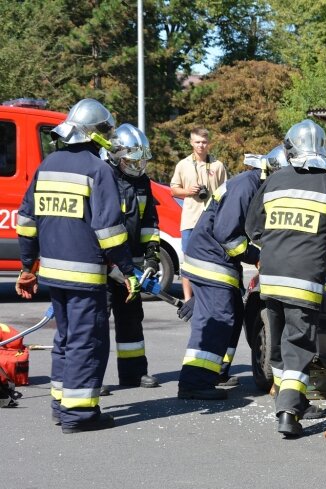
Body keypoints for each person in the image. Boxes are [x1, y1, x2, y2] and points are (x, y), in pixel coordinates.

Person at [15, 98, 139, 433]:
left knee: (66, 340)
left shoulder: (46, 166)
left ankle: (61, 403)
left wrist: (27, 266)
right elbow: (110, 231)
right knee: (87, 341)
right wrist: (128, 271)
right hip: (85, 275)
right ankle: (79, 413)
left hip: (52, 274)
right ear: (94, 134)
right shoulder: (97, 170)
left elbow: (26, 222)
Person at [246, 119, 326, 437]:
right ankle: (288, 412)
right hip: (305, 280)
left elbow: (254, 229)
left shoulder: (274, 181)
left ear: (290, 148)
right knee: (299, 345)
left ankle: (292, 400)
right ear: (322, 148)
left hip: (270, 278)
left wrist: (276, 246)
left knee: (282, 345)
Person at [175, 148, 285, 399]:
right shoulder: (246, 188)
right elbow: (227, 235)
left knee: (233, 313)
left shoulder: (255, 186)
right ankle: (195, 383)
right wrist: (257, 258)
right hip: (211, 260)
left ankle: (216, 371)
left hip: (214, 259)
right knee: (219, 317)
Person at [105, 124, 160, 389]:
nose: (137, 167)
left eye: (141, 161)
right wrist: (109, 263)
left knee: (131, 320)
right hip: (104, 265)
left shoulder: (142, 182)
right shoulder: (103, 176)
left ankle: (134, 373)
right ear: (115, 155)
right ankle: (91, 377)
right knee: (95, 323)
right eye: (131, 161)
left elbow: (149, 222)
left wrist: (151, 256)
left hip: (131, 266)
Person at [170, 128, 227, 301]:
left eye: (204, 142)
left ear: (208, 143)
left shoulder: (217, 165)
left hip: (212, 221)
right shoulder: (183, 164)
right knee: (187, 260)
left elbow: (226, 191)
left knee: (212, 260)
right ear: (191, 143)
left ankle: (209, 297)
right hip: (190, 220)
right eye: (197, 142)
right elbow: (173, 190)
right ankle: (188, 298)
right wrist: (188, 191)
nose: (201, 145)